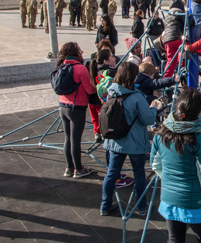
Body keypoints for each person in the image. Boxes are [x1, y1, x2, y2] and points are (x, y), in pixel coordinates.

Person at [151, 87, 201, 243]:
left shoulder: (162, 133)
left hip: (169, 199)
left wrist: (169, 181)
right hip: (194, 201)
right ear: (198, 112)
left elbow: (155, 164)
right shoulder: (199, 138)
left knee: (174, 242)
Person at [100, 62, 159, 216]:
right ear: (133, 77)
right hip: (134, 141)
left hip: (115, 139)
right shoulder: (137, 96)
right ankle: (141, 207)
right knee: (139, 173)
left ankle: (105, 205)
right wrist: (153, 107)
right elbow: (147, 119)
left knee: (111, 173)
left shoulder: (111, 92)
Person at [56, 42, 97, 178]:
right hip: (77, 107)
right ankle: (79, 169)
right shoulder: (79, 68)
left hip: (62, 106)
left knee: (67, 138)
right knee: (76, 140)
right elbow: (90, 89)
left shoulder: (62, 66)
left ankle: (69, 167)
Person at [88, 48, 117, 144]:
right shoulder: (109, 72)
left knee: (97, 120)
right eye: (112, 56)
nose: (115, 58)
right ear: (105, 61)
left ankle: (98, 134)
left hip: (97, 100)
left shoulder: (97, 69)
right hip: (108, 103)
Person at [162, 0, 186, 78]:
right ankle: (183, 64)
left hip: (167, 40)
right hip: (176, 37)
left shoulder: (168, 15)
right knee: (190, 47)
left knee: (170, 60)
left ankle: (165, 79)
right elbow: (189, 23)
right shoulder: (180, 13)